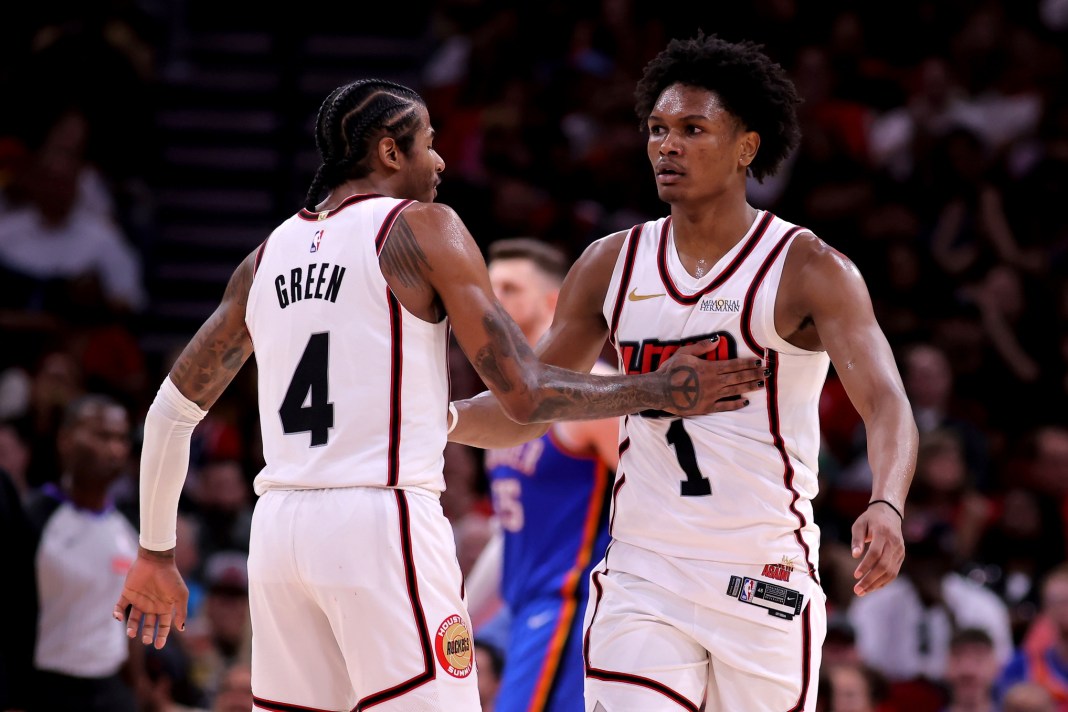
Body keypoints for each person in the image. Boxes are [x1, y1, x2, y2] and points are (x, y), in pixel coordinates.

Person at [113, 78, 765, 712]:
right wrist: (659, 388)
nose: (442, 159)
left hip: (280, 532)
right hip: (380, 519)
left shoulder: (265, 257)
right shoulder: (421, 228)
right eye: (428, 142)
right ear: (390, 153)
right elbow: (526, 397)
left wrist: (155, 552)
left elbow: (169, 414)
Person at [448, 33, 918, 711]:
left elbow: (886, 404)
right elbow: (528, 402)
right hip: (645, 569)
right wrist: (433, 416)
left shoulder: (809, 268)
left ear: (746, 148)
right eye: (658, 129)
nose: (667, 146)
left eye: (693, 129)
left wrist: (886, 501)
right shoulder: (610, 265)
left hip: (762, 571)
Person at [468, 237, 620, 712]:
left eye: (510, 289)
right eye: (489, 290)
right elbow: (511, 528)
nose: (493, 303)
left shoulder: (589, 390)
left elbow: (655, 494)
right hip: (522, 605)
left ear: (552, 302)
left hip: (570, 606)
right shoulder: (504, 397)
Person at [24, 394, 141, 712]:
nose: (114, 448)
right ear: (65, 439)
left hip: (111, 690)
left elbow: (131, 620)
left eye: (120, 438)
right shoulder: (32, 518)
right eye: (102, 435)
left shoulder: (128, 530)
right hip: (45, 688)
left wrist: (141, 688)